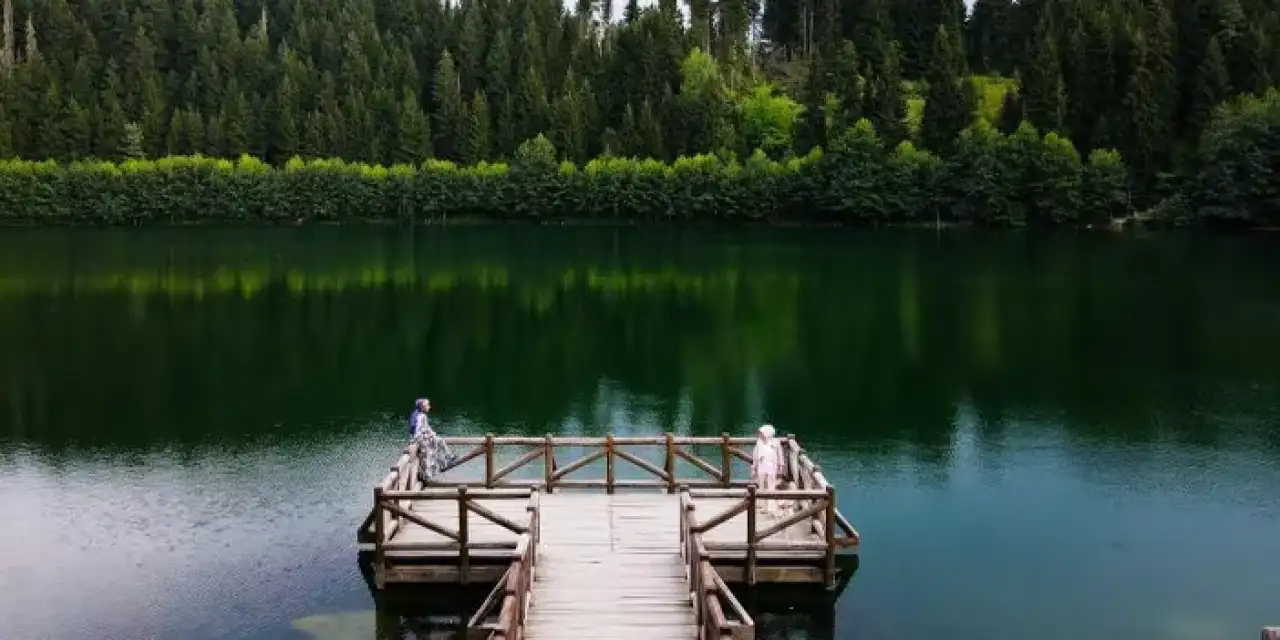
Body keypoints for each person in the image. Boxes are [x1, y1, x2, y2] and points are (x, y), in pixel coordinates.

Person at [408, 398, 455, 484]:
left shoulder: (416, 414)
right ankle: (430, 474)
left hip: (417, 439)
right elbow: (420, 431)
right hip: (420, 440)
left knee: (439, 442)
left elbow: (424, 429)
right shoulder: (422, 416)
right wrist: (430, 436)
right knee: (429, 453)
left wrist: (432, 434)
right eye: (427, 405)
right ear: (422, 407)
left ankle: (446, 460)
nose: (429, 407)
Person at [751, 424, 782, 516]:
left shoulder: (776, 442)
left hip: (772, 467)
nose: (760, 434)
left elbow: (780, 455)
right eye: (760, 433)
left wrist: (780, 467)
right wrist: (753, 468)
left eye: (762, 433)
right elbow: (755, 456)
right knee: (761, 486)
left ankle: (770, 507)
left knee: (771, 486)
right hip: (761, 466)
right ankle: (763, 506)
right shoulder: (759, 442)